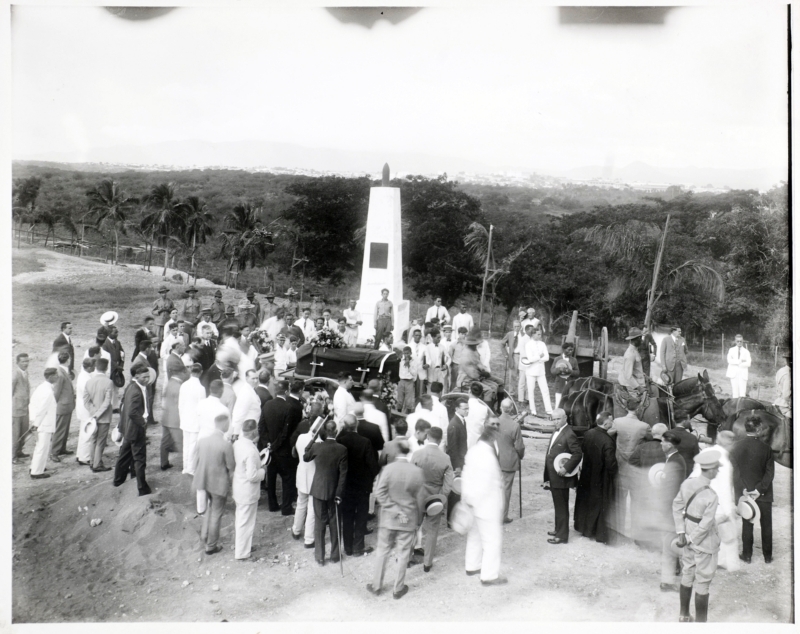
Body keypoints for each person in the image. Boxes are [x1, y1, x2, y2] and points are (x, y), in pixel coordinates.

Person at [367, 439, 425, 599]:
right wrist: (418, 519)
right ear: (408, 452)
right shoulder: (417, 471)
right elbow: (420, 498)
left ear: (397, 451)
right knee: (404, 552)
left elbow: (379, 493)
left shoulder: (387, 469)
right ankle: (398, 589)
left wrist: (394, 510)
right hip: (408, 518)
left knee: (383, 551)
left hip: (388, 519)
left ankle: (376, 586)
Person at [673, 451, 722, 623]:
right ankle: (701, 625)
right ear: (711, 470)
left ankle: (684, 615)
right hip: (703, 541)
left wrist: (681, 533)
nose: (718, 471)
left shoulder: (688, 483)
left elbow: (677, 506)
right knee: (703, 581)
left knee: (687, 572)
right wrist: (692, 539)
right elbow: (706, 525)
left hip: (686, 534)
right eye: (717, 469)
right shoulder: (711, 495)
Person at [462, 423, 506, 585]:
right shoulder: (487, 456)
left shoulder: (473, 451)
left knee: (474, 536)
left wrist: (467, 500)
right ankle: (489, 575)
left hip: (471, 502)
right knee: (492, 540)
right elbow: (486, 484)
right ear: (492, 437)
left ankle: (472, 565)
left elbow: (466, 475)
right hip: (486, 505)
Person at [689, 431, 739, 571]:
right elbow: (724, 488)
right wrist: (729, 510)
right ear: (731, 444)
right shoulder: (723, 460)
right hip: (716, 502)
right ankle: (720, 561)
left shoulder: (707, 451)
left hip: (701, 497)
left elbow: (694, 475)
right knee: (723, 532)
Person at [729, 416, 774, 564]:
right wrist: (759, 489)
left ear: (745, 428)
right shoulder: (767, 448)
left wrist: (744, 490)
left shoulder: (735, 447)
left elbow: (735, 473)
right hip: (764, 494)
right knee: (766, 525)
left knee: (747, 524)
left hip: (745, 494)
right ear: (759, 429)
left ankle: (747, 555)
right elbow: (770, 473)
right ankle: (768, 557)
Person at [304, 419, 348, 566]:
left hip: (318, 489)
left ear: (324, 432)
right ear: (336, 432)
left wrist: (312, 441)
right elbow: (343, 475)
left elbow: (305, 456)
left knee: (319, 522)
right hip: (334, 491)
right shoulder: (342, 449)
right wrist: (339, 493)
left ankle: (320, 556)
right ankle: (335, 555)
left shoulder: (316, 446)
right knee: (335, 522)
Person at [409, 426, 453, 572]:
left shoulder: (417, 454)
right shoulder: (445, 458)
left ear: (428, 437)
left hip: (418, 495)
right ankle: (427, 563)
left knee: (414, 527)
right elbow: (448, 484)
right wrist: (442, 497)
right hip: (435, 497)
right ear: (440, 440)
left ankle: (408, 557)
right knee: (432, 529)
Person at [338, 414, 380, 556]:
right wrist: (370, 479)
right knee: (361, 516)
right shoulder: (365, 442)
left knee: (347, 516)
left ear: (344, 426)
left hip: (346, 486)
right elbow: (373, 465)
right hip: (362, 486)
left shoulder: (340, 440)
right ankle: (358, 546)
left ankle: (348, 547)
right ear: (357, 425)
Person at [195, 412, 236, 555]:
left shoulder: (203, 441)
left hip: (203, 480)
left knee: (209, 510)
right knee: (216, 514)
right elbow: (231, 467)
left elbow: (197, 460)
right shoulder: (226, 445)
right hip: (218, 484)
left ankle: (204, 535)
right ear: (225, 425)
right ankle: (211, 546)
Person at [573, 412, 617, 544]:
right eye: (611, 421)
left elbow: (584, 450)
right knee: (600, 503)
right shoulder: (608, 441)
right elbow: (610, 464)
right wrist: (615, 471)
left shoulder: (588, 433)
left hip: (587, 473)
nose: (612, 423)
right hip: (600, 477)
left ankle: (583, 528)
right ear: (606, 423)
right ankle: (597, 532)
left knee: (585, 500)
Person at [611, 394, 649, 539]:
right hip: (635, 470)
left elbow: (608, 433)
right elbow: (652, 439)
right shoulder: (644, 426)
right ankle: (636, 532)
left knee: (619, 501)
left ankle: (618, 531)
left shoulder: (617, 422)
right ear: (638, 408)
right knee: (636, 502)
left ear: (626, 407)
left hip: (621, 467)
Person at [543, 408, 582, 544]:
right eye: (553, 419)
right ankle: (558, 529)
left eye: (558, 418)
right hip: (554, 476)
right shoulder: (557, 430)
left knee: (561, 506)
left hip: (561, 477)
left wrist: (566, 468)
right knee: (558, 505)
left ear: (565, 418)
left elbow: (577, 453)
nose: (556, 421)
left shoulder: (569, 433)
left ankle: (562, 536)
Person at [113, 365, 153, 496]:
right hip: (136, 428)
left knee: (124, 456)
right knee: (140, 459)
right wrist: (143, 422)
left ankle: (118, 482)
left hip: (129, 428)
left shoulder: (132, 386)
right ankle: (142, 488)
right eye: (144, 377)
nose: (147, 379)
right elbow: (131, 412)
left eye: (148, 376)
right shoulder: (136, 391)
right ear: (137, 377)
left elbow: (123, 406)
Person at [657, 429, 688, 592]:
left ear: (669, 445)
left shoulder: (675, 462)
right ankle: (670, 576)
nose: (661, 444)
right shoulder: (674, 459)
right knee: (669, 543)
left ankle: (667, 581)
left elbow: (670, 491)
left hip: (670, 510)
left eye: (662, 441)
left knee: (670, 544)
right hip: (670, 509)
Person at [259, 380, 295, 515]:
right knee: (287, 478)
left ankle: (272, 504)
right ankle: (286, 507)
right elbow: (285, 433)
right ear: (286, 391)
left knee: (271, 477)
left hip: (269, 451)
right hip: (282, 450)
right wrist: (274, 445)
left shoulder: (267, 405)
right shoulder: (288, 407)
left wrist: (267, 443)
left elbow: (261, 426)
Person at [629, 421, 667, 544]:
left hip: (644, 484)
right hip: (661, 486)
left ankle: (641, 540)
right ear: (664, 434)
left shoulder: (642, 447)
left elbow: (632, 462)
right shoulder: (668, 448)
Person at [233, 419, 266, 560]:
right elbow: (252, 475)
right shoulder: (251, 451)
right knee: (246, 522)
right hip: (248, 491)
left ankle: (242, 547)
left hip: (239, 487)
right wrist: (263, 470)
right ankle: (242, 553)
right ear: (253, 432)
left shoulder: (238, 443)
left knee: (241, 520)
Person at [292, 412, 321, 548]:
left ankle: (296, 530)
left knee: (300, 503)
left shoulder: (301, 437)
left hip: (301, 474)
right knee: (312, 508)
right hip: (313, 477)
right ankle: (309, 538)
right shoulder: (320, 442)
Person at [496, 399, 525, 524]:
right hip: (508, 461)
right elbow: (519, 446)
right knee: (505, 490)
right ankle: (502, 516)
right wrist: (520, 456)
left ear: (501, 407)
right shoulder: (515, 425)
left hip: (494, 459)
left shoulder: (493, 422)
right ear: (511, 408)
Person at [28, 368, 59, 479]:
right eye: (56, 375)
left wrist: (33, 421)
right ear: (50, 376)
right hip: (43, 424)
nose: (57, 377)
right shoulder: (47, 391)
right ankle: (36, 472)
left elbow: (32, 404)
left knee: (39, 447)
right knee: (42, 447)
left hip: (39, 423)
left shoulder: (41, 387)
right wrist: (35, 424)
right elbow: (42, 409)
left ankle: (35, 466)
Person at [179, 363, 207, 476]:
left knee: (186, 445)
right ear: (200, 372)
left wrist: (182, 417)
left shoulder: (184, 385)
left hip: (185, 418)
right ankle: (191, 469)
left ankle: (185, 467)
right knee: (193, 446)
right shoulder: (201, 388)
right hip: (195, 421)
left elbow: (180, 404)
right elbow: (201, 408)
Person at [50, 350, 75, 461]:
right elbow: (56, 392)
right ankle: (54, 452)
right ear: (68, 360)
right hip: (62, 406)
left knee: (65, 429)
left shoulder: (63, 371)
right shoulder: (60, 373)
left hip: (67, 405)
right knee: (60, 429)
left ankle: (62, 448)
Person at [616, 327, 647, 413]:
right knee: (639, 409)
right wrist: (639, 387)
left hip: (636, 383)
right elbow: (628, 376)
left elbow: (636, 370)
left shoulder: (635, 350)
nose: (641, 340)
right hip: (631, 387)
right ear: (635, 339)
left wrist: (644, 376)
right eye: (640, 338)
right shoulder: (630, 354)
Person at [523, 327, 552, 417]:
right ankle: (533, 410)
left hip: (541, 371)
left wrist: (538, 359)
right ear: (533, 334)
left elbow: (547, 357)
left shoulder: (542, 344)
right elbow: (530, 359)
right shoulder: (528, 345)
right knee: (531, 391)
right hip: (531, 371)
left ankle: (549, 410)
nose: (540, 336)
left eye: (540, 334)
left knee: (545, 390)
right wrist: (540, 356)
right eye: (538, 334)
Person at [160, 363, 184, 471]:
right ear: (180, 373)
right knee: (180, 442)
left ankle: (163, 463)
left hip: (166, 417)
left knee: (164, 442)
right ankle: (186, 465)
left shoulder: (169, 383)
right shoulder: (179, 386)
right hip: (175, 419)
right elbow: (179, 403)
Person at [12, 353, 32, 464]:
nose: (26, 363)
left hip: (25, 408)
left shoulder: (26, 373)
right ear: (17, 362)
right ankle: (13, 456)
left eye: (27, 361)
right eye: (23, 361)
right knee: (15, 434)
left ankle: (19, 451)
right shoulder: (15, 374)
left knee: (23, 432)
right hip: (16, 410)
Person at [551, 341, 580, 409]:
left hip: (570, 384)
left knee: (569, 401)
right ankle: (557, 416)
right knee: (558, 402)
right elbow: (552, 371)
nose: (571, 351)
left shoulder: (574, 360)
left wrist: (570, 371)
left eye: (572, 349)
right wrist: (559, 369)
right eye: (569, 349)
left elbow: (577, 372)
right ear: (563, 350)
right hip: (559, 384)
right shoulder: (557, 359)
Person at [501, 321, 522, 401]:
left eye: (518, 326)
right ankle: (511, 393)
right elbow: (502, 344)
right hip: (514, 356)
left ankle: (521, 394)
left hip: (523, 356)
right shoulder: (510, 334)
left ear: (521, 327)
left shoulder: (524, 335)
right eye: (515, 326)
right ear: (513, 327)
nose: (517, 328)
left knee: (522, 376)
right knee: (512, 375)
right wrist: (506, 354)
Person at [465, 382, 490, 448]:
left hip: (464, 442)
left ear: (469, 391)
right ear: (480, 394)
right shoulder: (484, 408)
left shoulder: (464, 406)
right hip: (478, 441)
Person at [726, 334, 751, 398]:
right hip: (734, 374)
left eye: (741, 341)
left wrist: (738, 363)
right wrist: (740, 361)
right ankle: (735, 407)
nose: (739, 343)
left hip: (743, 374)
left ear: (743, 341)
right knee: (735, 393)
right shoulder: (731, 350)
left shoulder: (746, 351)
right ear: (735, 341)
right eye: (738, 341)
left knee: (742, 393)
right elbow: (729, 360)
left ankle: (742, 407)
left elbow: (749, 363)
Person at [774, 352, 792, 420]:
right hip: (785, 406)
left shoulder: (781, 370)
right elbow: (786, 395)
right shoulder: (788, 375)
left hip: (778, 401)